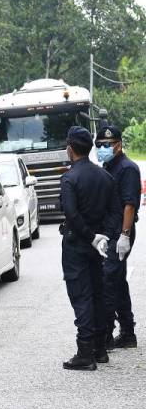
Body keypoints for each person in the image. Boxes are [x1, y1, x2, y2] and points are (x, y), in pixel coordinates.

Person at [59, 126, 122, 371]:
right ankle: (99, 348)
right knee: (97, 293)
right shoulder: (105, 176)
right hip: (98, 245)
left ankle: (85, 352)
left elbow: (71, 214)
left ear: (71, 149)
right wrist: (104, 235)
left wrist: (90, 236)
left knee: (81, 296)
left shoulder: (69, 178)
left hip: (77, 244)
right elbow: (115, 210)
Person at [96, 125, 142, 349]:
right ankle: (128, 332)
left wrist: (124, 236)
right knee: (118, 281)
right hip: (110, 231)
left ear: (119, 145)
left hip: (121, 232)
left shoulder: (128, 168)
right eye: (99, 145)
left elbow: (130, 205)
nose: (103, 148)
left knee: (107, 280)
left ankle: (105, 334)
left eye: (107, 145)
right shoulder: (108, 166)